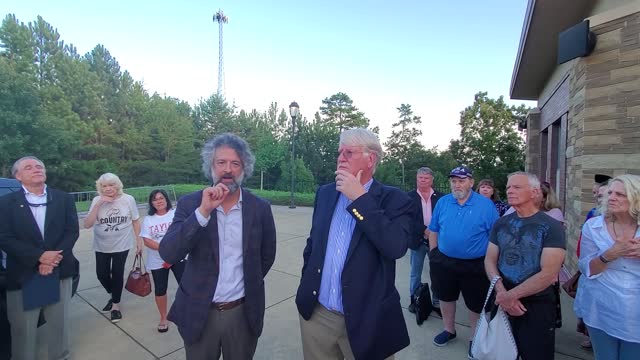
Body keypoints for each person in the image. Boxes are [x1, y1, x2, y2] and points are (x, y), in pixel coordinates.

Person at [296, 128, 415, 360]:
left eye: (349, 152)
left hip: (366, 319)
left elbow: (395, 247)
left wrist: (360, 198)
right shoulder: (326, 193)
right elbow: (313, 245)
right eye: (340, 152)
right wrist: (305, 284)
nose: (341, 157)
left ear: (371, 159)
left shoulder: (395, 199)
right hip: (318, 316)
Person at [159, 133, 276, 360]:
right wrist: (203, 212)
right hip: (199, 312)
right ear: (211, 166)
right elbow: (169, 252)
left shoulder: (259, 207)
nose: (228, 170)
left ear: (244, 169)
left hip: (242, 313)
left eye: (235, 163)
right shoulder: (191, 203)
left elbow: (266, 256)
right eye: (221, 162)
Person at [0, 156, 80, 360]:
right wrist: (39, 257)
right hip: (24, 274)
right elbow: (4, 237)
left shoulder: (64, 199)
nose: (36, 169)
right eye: (29, 167)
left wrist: (52, 260)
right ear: (17, 176)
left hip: (59, 271)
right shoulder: (6, 203)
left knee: (58, 325)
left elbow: (71, 232)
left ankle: (60, 356)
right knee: (23, 329)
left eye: (39, 166)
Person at [485, 171, 566, 360]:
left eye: (517, 187)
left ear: (535, 192)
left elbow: (548, 273)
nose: (510, 191)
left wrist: (510, 297)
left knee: (535, 354)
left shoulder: (552, 227)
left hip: (536, 302)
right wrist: (502, 292)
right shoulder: (501, 223)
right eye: (508, 187)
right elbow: (490, 260)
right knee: (501, 353)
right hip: (502, 295)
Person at [427, 166, 498, 357]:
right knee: (445, 297)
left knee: (476, 304)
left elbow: (495, 237)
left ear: (471, 182)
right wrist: (434, 255)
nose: (457, 184)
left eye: (461, 180)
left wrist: (491, 262)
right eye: (454, 181)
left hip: (475, 264)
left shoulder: (485, 205)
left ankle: (474, 338)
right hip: (444, 262)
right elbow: (433, 229)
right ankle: (449, 330)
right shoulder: (443, 202)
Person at [574, 174, 640, 360]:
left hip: (636, 312)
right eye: (610, 192)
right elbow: (587, 269)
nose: (611, 197)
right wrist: (609, 255)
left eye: (620, 194)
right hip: (601, 307)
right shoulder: (593, 226)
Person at [83, 173, 143, 323]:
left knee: (117, 273)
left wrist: (139, 242)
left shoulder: (128, 199)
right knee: (101, 274)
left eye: (111, 185)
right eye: (104, 186)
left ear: (118, 185)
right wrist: (98, 204)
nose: (108, 188)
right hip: (101, 245)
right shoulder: (97, 200)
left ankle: (115, 305)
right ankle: (114, 293)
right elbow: (87, 224)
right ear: (100, 188)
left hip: (122, 244)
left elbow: (135, 221)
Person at [140, 189, 185, 333]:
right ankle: (163, 318)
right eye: (155, 199)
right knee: (160, 290)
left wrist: (172, 256)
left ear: (166, 199)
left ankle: (188, 313)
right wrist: (166, 252)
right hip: (157, 261)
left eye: (161, 198)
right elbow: (147, 240)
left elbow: (183, 235)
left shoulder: (176, 214)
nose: (158, 201)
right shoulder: (148, 219)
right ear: (151, 203)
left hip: (179, 257)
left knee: (186, 287)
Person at [575, 174, 610, 350]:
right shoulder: (593, 217)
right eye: (595, 193)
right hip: (591, 267)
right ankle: (591, 335)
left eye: (601, 194)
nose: (596, 196)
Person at [407, 167, 444, 316]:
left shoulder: (441, 197)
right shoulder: (409, 196)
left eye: (426, 178)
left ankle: (436, 302)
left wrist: (432, 231)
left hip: (436, 241)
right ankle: (414, 300)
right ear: (417, 178)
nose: (423, 180)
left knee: (436, 272)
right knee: (415, 273)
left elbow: (443, 216)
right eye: (420, 178)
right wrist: (424, 230)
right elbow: (408, 218)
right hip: (417, 241)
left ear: (431, 179)